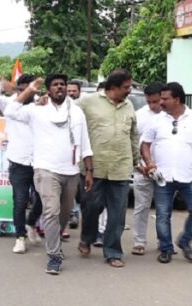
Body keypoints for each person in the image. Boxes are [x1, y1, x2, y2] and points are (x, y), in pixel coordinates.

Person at [5, 74, 93, 275]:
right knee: (51, 211)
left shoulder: (77, 112)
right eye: (55, 85)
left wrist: (89, 170)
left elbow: (85, 143)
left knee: (62, 217)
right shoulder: (37, 110)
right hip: (45, 170)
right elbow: (11, 111)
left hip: (71, 171)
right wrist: (30, 90)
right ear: (49, 89)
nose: (60, 88)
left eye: (63, 84)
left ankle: (55, 242)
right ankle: (54, 256)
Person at [77, 69, 139, 268]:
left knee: (117, 213)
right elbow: (67, 114)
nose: (129, 91)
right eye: (126, 87)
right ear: (112, 88)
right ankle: (86, 238)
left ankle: (113, 252)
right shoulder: (88, 102)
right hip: (94, 167)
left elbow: (133, 135)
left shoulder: (129, 105)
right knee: (91, 207)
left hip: (121, 166)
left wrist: (136, 161)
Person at [0, 74, 43, 252]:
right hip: (18, 161)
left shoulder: (41, 104)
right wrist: (1, 86)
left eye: (29, 89)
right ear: (19, 89)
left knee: (42, 199)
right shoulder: (9, 103)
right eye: (23, 89)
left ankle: (31, 222)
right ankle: (20, 237)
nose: (26, 93)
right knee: (20, 201)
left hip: (41, 161)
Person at [141, 82, 192, 264]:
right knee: (163, 215)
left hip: (188, 176)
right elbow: (145, 145)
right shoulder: (156, 120)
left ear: (176, 99)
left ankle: (185, 240)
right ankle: (166, 249)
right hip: (162, 177)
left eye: (165, 98)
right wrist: (149, 162)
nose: (161, 102)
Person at [131, 82, 163, 256]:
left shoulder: (171, 116)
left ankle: (163, 242)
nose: (152, 105)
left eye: (156, 101)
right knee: (141, 207)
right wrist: (138, 166)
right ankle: (139, 242)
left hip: (165, 172)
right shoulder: (139, 116)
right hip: (142, 170)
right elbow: (133, 143)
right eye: (149, 102)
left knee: (163, 209)